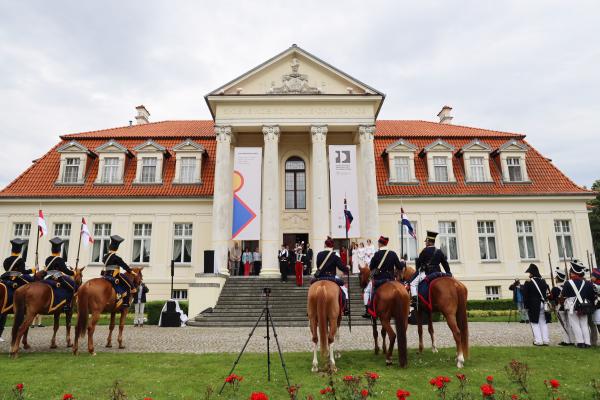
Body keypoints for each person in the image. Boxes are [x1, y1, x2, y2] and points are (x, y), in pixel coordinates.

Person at [0, 238, 36, 342]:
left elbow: (8, 271)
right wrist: (32, 270)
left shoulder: (6, 260)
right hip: (15, 282)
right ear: (20, 250)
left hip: (5, 280)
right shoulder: (20, 260)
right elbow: (23, 272)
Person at [364, 236, 405, 318]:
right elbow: (400, 267)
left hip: (379, 279)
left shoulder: (376, 254)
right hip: (391, 279)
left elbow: (371, 267)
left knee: (367, 291)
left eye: (378, 243)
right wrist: (403, 262)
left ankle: (369, 310)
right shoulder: (393, 254)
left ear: (380, 244)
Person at [410, 231, 451, 307]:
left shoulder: (424, 251)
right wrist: (449, 273)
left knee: (412, 284)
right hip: (438, 273)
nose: (425, 243)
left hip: (427, 273)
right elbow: (445, 263)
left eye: (426, 241)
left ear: (429, 242)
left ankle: (415, 301)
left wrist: (418, 268)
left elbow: (419, 264)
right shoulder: (439, 251)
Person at [560, 261, 595, 348]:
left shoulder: (568, 283)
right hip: (584, 305)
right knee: (584, 324)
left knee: (575, 324)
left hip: (572, 305)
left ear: (573, 272)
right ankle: (587, 342)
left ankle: (580, 342)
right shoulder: (587, 283)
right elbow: (591, 296)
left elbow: (563, 294)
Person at [314, 236, 350, 314]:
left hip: (320, 277)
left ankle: (311, 309)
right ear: (332, 246)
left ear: (325, 245)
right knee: (344, 290)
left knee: (311, 288)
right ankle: (345, 307)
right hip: (331, 277)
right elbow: (341, 267)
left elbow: (318, 266)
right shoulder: (335, 255)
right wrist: (347, 269)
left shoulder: (319, 254)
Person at [101, 235, 136, 308]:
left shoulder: (105, 257)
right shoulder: (117, 258)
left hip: (105, 275)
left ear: (109, 248)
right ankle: (126, 303)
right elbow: (124, 266)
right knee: (128, 285)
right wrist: (132, 272)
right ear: (117, 249)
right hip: (115, 275)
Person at [44, 237, 77, 311]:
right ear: (60, 250)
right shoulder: (60, 260)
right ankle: (67, 305)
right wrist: (73, 272)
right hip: (58, 278)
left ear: (51, 249)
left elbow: (48, 269)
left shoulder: (48, 259)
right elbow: (65, 271)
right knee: (72, 289)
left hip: (48, 277)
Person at [522, 263, 550, 346]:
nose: (529, 274)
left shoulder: (528, 282)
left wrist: (526, 306)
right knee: (543, 322)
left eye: (529, 273)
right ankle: (545, 340)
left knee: (534, 323)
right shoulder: (543, 281)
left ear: (532, 273)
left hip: (533, 304)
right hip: (543, 303)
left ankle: (538, 340)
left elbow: (525, 295)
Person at [549, 268, 574, 345]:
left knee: (563, 325)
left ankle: (566, 341)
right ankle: (572, 340)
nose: (555, 279)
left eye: (556, 277)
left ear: (558, 278)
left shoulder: (555, 288)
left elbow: (551, 298)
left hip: (560, 308)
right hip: (568, 307)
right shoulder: (568, 286)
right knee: (569, 324)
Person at [591, 268, 600, 334]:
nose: (591, 277)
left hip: (598, 307)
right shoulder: (593, 284)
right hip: (597, 306)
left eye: (593, 276)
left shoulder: (594, 285)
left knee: (599, 324)